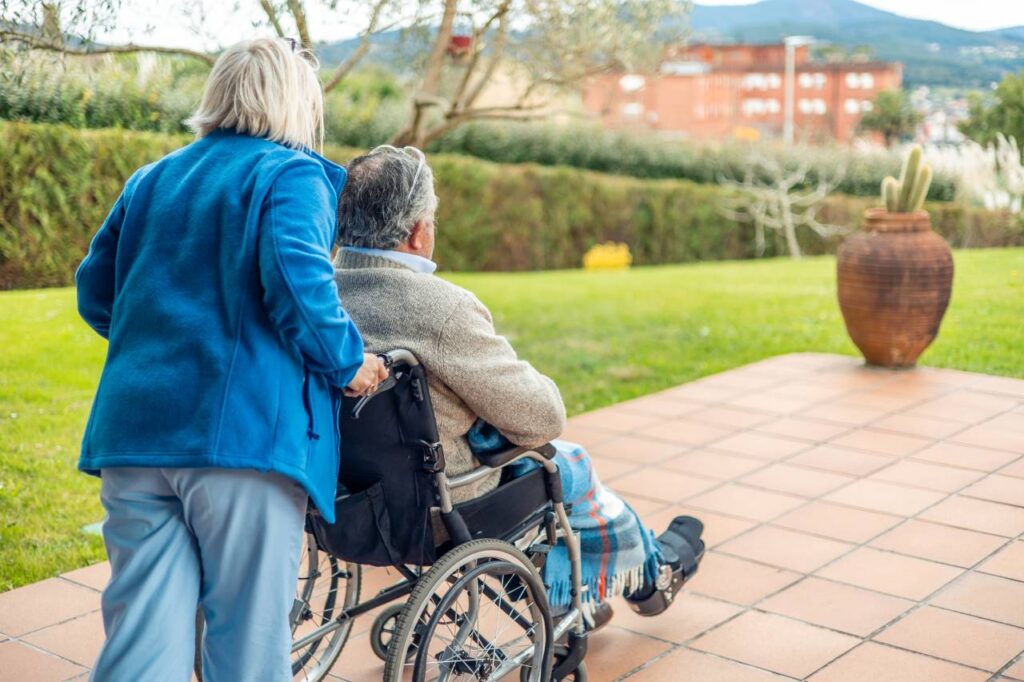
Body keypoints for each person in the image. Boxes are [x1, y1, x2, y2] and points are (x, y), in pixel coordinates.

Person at [75, 38, 386, 681]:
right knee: (247, 645)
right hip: (242, 442)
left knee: (141, 643)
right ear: (296, 103)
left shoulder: (151, 178)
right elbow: (298, 285)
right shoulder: (289, 175)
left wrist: (161, 343)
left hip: (135, 437)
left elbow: (96, 292)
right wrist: (348, 362)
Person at [333, 145, 705, 625]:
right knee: (567, 463)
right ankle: (649, 574)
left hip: (345, 502)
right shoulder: (439, 308)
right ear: (418, 232)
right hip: (442, 509)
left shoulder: (314, 300)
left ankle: (589, 587)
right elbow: (542, 418)